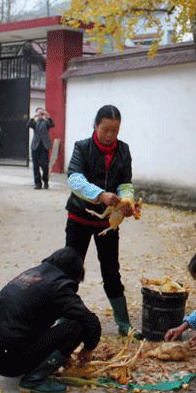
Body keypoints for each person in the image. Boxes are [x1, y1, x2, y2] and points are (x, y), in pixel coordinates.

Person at [0, 247, 101, 393]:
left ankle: (34, 364)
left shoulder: (33, 273)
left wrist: (58, 354)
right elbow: (90, 321)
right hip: (6, 361)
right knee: (76, 327)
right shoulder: (59, 286)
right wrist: (88, 349)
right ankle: (33, 380)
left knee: (57, 317)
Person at [65, 105, 137, 336]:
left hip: (108, 225)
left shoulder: (123, 151)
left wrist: (127, 201)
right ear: (96, 126)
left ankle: (123, 322)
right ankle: (63, 319)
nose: (110, 135)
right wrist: (100, 195)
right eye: (105, 129)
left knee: (111, 270)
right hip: (79, 218)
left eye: (115, 130)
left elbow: (125, 182)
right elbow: (75, 179)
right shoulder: (82, 147)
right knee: (70, 270)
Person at [28, 107, 55, 189]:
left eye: (42, 113)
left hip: (44, 146)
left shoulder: (46, 122)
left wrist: (48, 117)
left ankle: (45, 181)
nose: (40, 115)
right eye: (39, 113)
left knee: (44, 165)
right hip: (35, 146)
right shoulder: (34, 122)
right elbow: (28, 125)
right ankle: (38, 183)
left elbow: (52, 125)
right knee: (35, 166)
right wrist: (34, 117)